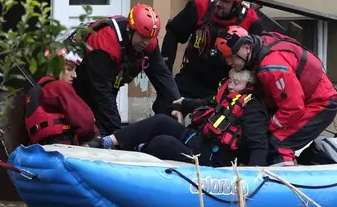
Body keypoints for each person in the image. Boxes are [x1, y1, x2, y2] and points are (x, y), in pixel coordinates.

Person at [86, 69, 269, 167]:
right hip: (199, 141)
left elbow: (258, 144)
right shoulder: (227, 97)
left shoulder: (252, 108)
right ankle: (108, 142)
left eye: (237, 83)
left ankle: (134, 155)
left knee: (163, 142)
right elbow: (205, 103)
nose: (230, 86)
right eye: (230, 81)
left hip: (213, 159)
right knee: (161, 120)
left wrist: (253, 174)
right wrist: (183, 103)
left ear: (249, 85)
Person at [215, 25, 337, 166]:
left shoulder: (272, 67)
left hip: (321, 103)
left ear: (247, 48)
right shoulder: (260, 46)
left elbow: (293, 108)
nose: (229, 63)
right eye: (226, 58)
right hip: (306, 98)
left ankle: (284, 182)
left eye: (231, 57)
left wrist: (268, 127)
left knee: (279, 143)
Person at [68, 4, 181, 136]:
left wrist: (178, 104)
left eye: (149, 38)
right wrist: (119, 135)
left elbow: (162, 76)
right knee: (99, 128)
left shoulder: (150, 43)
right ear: (130, 29)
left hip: (108, 79)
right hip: (81, 80)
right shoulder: (106, 42)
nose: (145, 42)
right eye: (142, 36)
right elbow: (102, 94)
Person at [158, 0, 264, 108]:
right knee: (164, 107)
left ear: (237, 2)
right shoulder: (198, 7)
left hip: (224, 86)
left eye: (225, 1)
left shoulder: (251, 21)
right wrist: (167, 77)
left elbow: (256, 58)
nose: (218, 3)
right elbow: (173, 33)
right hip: (191, 78)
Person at [24, 47, 98, 145]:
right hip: (64, 148)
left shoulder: (37, 91)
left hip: (42, 149)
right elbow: (85, 123)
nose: (75, 75)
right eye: (69, 69)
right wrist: (97, 139)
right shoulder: (59, 86)